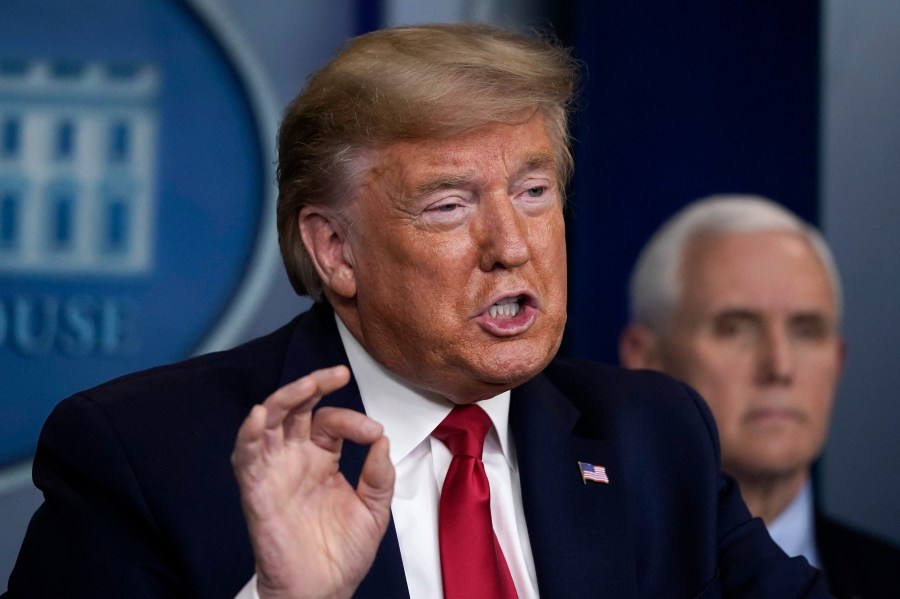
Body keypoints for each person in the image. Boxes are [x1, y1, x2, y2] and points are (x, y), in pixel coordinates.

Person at [5, 25, 832, 599]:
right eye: (447, 205)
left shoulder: (653, 436)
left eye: (534, 192)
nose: (512, 244)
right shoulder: (143, 458)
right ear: (335, 250)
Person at [619, 194, 900, 598]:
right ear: (647, 358)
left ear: (837, 362)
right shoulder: (563, 574)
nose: (780, 367)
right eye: (735, 328)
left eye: (806, 331)